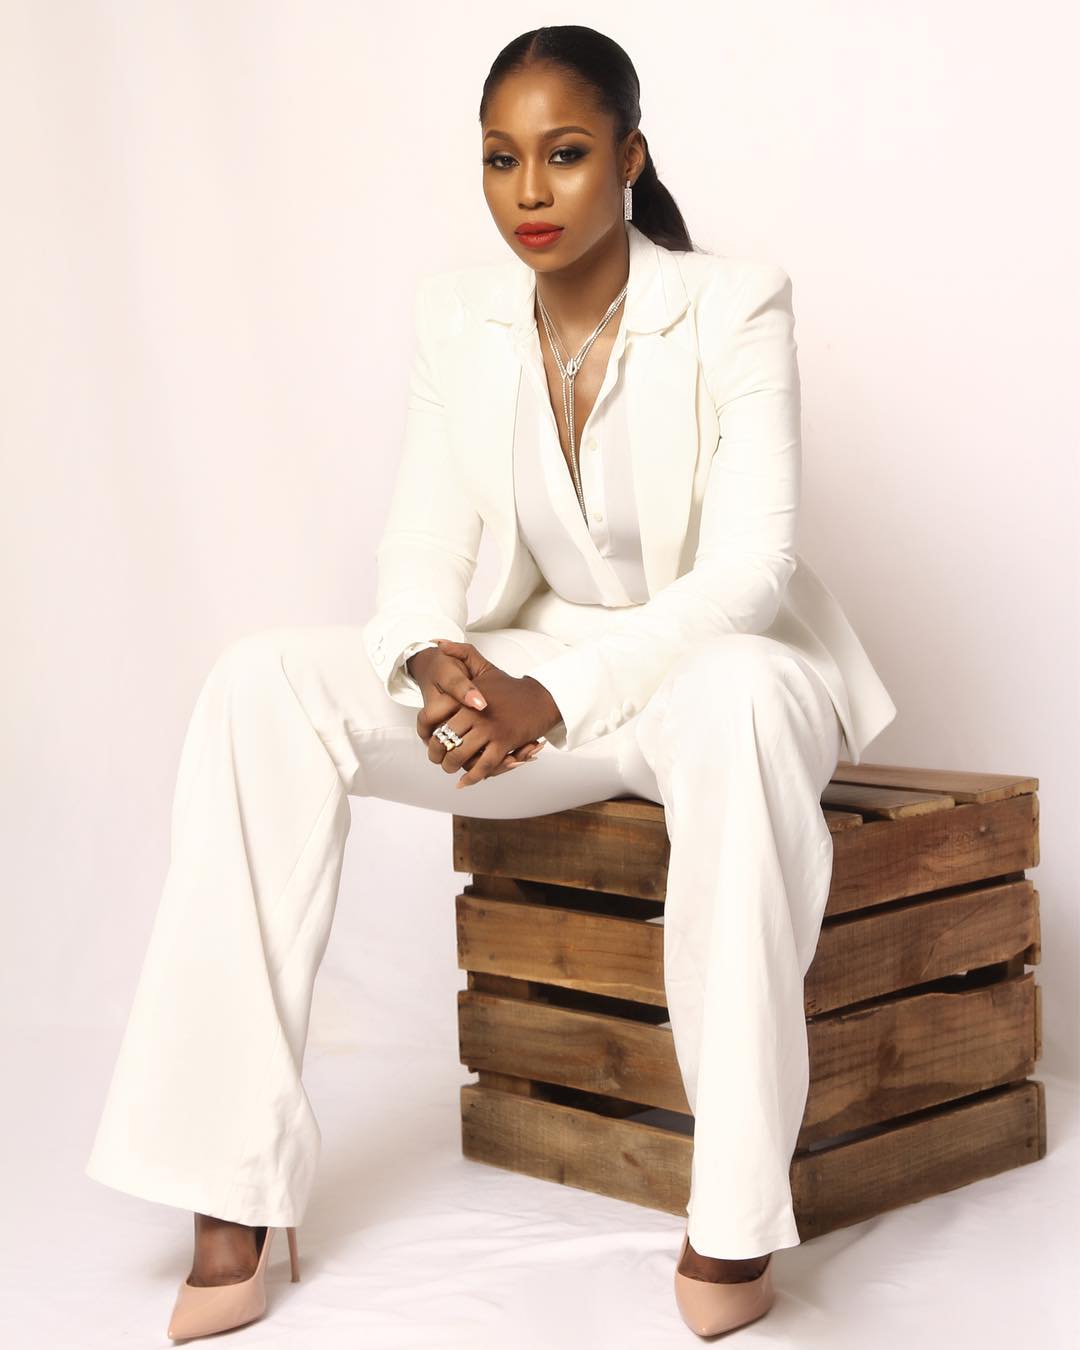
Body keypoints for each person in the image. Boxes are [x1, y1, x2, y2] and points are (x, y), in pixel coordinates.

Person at [84, 23, 897, 1341]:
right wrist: (426, 652)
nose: (530, 190)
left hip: (719, 673)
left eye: (565, 154)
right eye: (500, 159)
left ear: (630, 156)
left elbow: (752, 571)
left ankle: (735, 1208)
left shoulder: (735, 304)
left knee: (741, 699)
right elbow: (423, 539)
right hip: (540, 670)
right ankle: (226, 1185)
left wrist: (555, 699)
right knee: (259, 684)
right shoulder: (457, 317)